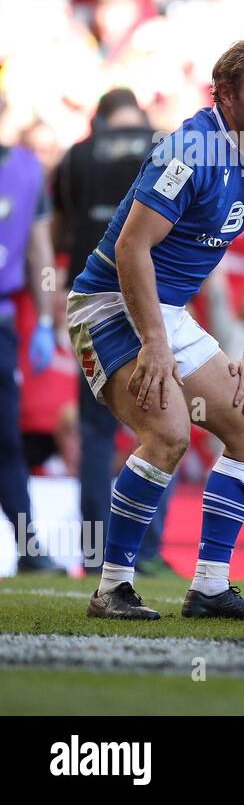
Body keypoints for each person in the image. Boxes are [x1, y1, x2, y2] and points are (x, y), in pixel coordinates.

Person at [66, 35, 244, 621]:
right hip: (108, 304)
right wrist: (155, 345)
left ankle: (210, 589)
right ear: (226, 95)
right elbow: (131, 248)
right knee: (168, 434)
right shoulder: (190, 149)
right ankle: (112, 587)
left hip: (166, 312)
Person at [53, 88, 177, 574]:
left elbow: (61, 231)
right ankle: (147, 550)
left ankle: (96, 552)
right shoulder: (165, 146)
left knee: (96, 431)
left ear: (98, 119)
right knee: (166, 424)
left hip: (94, 305)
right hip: (156, 302)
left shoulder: (76, 156)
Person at [0, 140, 59, 573]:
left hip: (2, 319)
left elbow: (41, 254)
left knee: (6, 438)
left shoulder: (28, 167)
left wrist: (43, 318)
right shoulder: (27, 167)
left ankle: (29, 546)